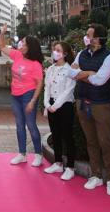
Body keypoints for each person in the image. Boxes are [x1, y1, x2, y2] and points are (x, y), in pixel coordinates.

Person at [68, 24, 110, 196]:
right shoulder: (82, 53)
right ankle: (95, 175)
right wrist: (89, 72)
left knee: (105, 141)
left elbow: (100, 80)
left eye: (89, 35)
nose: (86, 37)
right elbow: (70, 72)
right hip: (82, 102)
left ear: (97, 39)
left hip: (101, 104)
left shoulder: (109, 56)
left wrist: (82, 74)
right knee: (91, 141)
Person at [0, 24, 44, 167]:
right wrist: (2, 33)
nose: (21, 43)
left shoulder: (35, 64)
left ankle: (38, 154)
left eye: (23, 42)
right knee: (19, 125)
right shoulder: (17, 55)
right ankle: (22, 154)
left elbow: (39, 84)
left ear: (29, 47)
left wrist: (32, 101)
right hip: (15, 95)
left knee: (30, 124)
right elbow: (1, 46)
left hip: (28, 95)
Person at [43, 41, 77, 181]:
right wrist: (46, 104)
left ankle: (70, 167)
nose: (55, 52)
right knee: (55, 134)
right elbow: (47, 88)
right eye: (54, 49)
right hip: (51, 104)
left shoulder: (70, 70)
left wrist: (55, 105)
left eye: (58, 50)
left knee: (67, 136)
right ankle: (57, 163)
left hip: (64, 105)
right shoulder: (50, 69)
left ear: (65, 53)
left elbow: (68, 90)